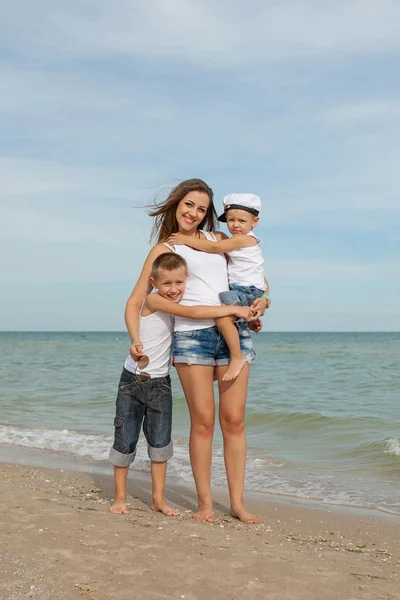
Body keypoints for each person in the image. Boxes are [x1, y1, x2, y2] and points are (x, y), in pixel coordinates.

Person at [125, 178, 268, 524]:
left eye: (201, 208)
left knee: (233, 421)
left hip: (234, 331)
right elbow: (135, 300)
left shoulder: (218, 239)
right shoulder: (165, 248)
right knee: (203, 423)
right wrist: (135, 337)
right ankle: (205, 503)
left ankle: (236, 503)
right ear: (176, 204)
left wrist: (264, 300)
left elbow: (255, 274)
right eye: (189, 204)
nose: (193, 212)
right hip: (192, 339)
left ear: (208, 215)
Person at [109, 251, 255, 516]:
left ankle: (158, 499)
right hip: (133, 380)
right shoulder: (155, 300)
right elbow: (191, 311)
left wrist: (255, 307)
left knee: (160, 443)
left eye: (179, 283)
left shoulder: (171, 306)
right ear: (154, 283)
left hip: (161, 381)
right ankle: (120, 496)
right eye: (167, 283)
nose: (174, 289)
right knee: (125, 439)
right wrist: (233, 309)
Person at [168, 193, 271, 382]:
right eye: (231, 220)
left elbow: (216, 247)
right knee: (231, 315)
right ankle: (243, 327)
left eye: (241, 220)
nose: (235, 225)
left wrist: (187, 240)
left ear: (254, 221)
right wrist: (263, 299)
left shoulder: (244, 239)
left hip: (246, 289)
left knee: (223, 316)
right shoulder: (239, 243)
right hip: (246, 289)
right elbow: (262, 279)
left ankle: (237, 357)